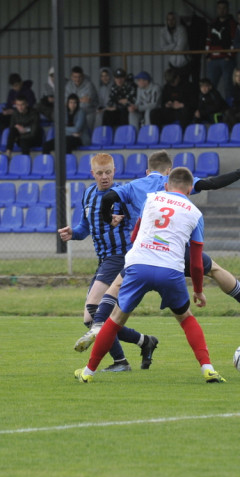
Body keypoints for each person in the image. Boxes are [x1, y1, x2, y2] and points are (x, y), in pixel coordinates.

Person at [75, 150, 240, 352]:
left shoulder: (133, 186)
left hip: (143, 254)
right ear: (169, 171)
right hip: (174, 254)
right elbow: (212, 183)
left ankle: (99, 325)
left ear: (147, 170)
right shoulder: (176, 184)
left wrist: (109, 218)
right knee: (213, 271)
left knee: (117, 285)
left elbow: (107, 197)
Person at [75, 166, 226, 383]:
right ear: (191, 189)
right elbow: (195, 262)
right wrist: (199, 290)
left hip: (139, 265)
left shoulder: (152, 199)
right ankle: (208, 369)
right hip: (171, 270)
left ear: (166, 186)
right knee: (185, 318)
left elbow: (136, 234)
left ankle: (87, 373)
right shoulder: (195, 213)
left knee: (115, 319)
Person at [59, 152, 158, 372]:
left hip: (121, 256)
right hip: (104, 259)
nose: (104, 177)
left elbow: (141, 219)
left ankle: (120, 362)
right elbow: (85, 228)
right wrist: (72, 233)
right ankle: (144, 341)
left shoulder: (123, 194)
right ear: (92, 173)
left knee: (95, 309)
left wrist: (126, 218)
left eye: (108, 172)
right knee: (90, 318)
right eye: (100, 173)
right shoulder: (88, 195)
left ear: (115, 171)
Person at [205, 0, 237, 97]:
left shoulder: (232, 24)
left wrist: (230, 56)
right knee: (210, 86)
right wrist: (207, 56)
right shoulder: (213, 23)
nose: (221, 10)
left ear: (227, 9)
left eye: (224, 8)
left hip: (226, 59)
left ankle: (229, 109)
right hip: (213, 59)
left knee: (228, 86)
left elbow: (234, 40)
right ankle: (211, 108)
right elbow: (208, 39)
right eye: (219, 8)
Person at [64, 66, 99, 138]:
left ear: (83, 76)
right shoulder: (68, 85)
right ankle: (72, 134)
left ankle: (87, 139)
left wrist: (73, 102)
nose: (77, 79)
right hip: (73, 112)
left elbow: (87, 103)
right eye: (75, 77)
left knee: (86, 115)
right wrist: (80, 99)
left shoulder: (89, 85)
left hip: (88, 112)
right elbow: (66, 102)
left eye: (79, 77)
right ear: (71, 77)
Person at [160, 11, 190, 81]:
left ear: (176, 20)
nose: (171, 21)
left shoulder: (182, 29)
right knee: (172, 82)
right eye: (168, 19)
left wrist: (169, 48)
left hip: (184, 62)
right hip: (172, 62)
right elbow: (163, 47)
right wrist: (174, 44)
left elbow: (181, 48)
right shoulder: (163, 31)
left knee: (184, 82)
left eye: (173, 19)